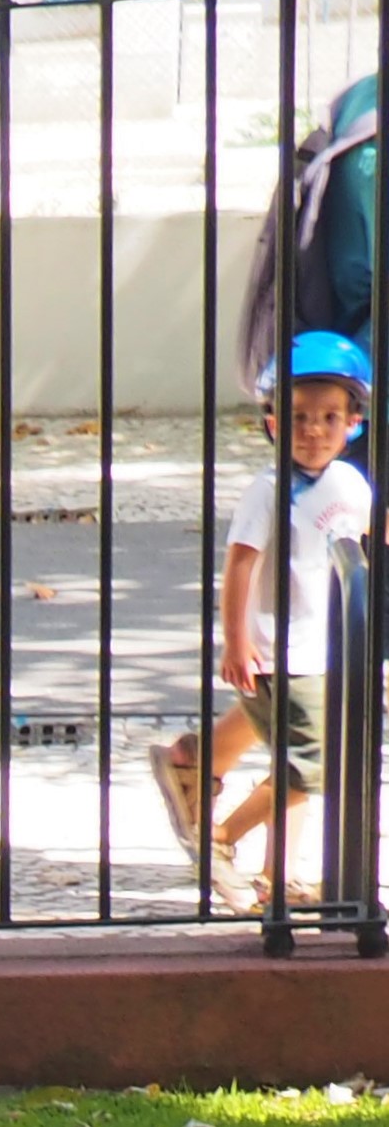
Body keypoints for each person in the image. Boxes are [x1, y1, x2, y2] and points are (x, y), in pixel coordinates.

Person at [154, 332, 372, 912]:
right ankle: (221, 837)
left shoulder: (349, 483)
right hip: (279, 650)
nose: (313, 430)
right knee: (311, 766)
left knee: (291, 752)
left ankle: (277, 876)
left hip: (326, 646)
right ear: (274, 422)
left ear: (353, 423)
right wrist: (237, 640)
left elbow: (365, 541)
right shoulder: (269, 490)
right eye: (298, 417)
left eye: (329, 417)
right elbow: (241, 564)